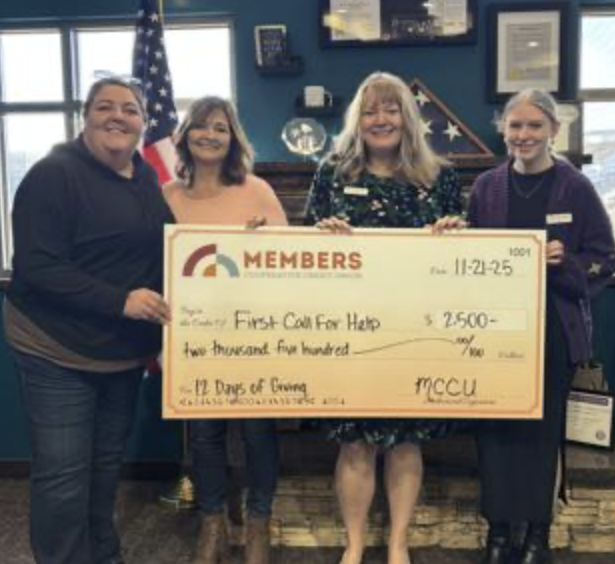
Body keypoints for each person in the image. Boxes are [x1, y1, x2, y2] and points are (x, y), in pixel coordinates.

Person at [4, 77, 173, 564]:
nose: (118, 116)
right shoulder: (53, 174)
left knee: (104, 468)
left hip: (120, 354)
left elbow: (167, 247)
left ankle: (102, 554)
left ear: (144, 122)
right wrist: (121, 301)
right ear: (86, 116)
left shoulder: (144, 176)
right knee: (62, 477)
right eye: (105, 107)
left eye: (130, 109)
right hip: (56, 348)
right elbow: (38, 266)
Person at [304, 71, 465, 564]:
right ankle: (354, 545)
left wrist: (454, 234)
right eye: (370, 111)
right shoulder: (333, 173)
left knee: (405, 443)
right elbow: (303, 251)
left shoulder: (440, 176)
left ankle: (398, 544)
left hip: (417, 330)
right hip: (348, 331)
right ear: (357, 119)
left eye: (391, 109)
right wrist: (323, 235)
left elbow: (466, 256)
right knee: (354, 443)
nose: (381, 119)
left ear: (407, 117)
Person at [468, 89, 615, 564]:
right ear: (503, 130)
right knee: (493, 429)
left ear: (554, 129)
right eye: (515, 125)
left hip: (553, 328)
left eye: (534, 125)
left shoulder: (575, 188)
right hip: (494, 327)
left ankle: (537, 534)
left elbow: (606, 257)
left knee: (543, 431)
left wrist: (566, 261)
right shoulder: (486, 187)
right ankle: (498, 532)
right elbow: (467, 257)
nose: (524, 134)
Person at [163, 96, 287, 564]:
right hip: (194, 338)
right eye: (201, 126)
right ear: (185, 135)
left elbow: (291, 261)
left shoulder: (257, 190)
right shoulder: (167, 195)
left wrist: (264, 239)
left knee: (257, 432)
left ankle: (258, 525)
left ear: (233, 138)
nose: (210, 135)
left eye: (220, 127)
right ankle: (212, 524)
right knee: (204, 435)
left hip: (254, 335)